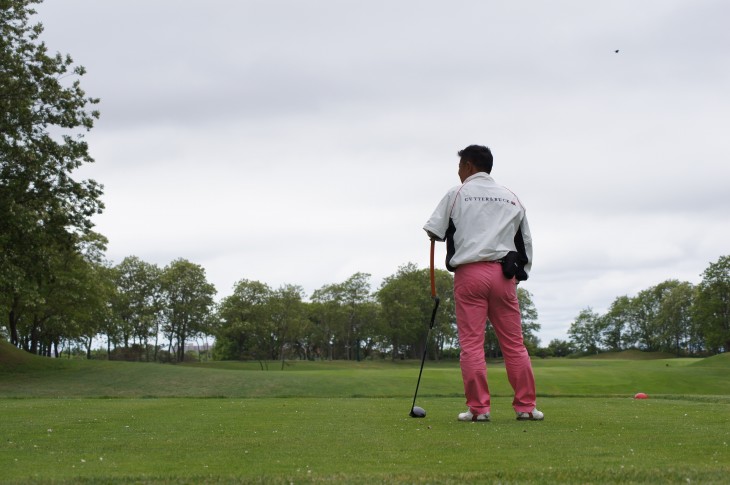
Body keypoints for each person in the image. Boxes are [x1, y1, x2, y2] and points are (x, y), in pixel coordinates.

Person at [423, 144, 543, 422]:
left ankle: (479, 410)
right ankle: (526, 408)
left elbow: (433, 231)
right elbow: (525, 241)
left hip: (470, 275)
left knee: (472, 345)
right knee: (514, 345)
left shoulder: (457, 193)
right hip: (504, 275)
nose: (458, 173)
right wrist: (520, 275)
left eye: (459, 167)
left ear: (468, 166)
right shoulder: (512, 197)